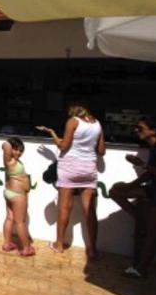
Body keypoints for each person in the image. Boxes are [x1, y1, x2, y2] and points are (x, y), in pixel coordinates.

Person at [110, 117, 156, 279]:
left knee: (152, 232)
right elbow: (151, 173)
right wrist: (131, 185)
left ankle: (141, 268)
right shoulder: (154, 148)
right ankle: (141, 217)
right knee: (116, 191)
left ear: (153, 131)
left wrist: (142, 165)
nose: (137, 130)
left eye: (140, 128)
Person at [36, 104, 105, 259]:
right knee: (90, 211)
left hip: (69, 168)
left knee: (64, 208)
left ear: (74, 113)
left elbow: (63, 146)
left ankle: (59, 245)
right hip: (89, 170)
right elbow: (101, 151)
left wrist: (53, 134)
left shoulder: (73, 122)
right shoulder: (97, 124)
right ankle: (92, 250)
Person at [1, 137, 35, 257]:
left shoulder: (14, 161)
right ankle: (26, 248)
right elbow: (5, 145)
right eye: (16, 149)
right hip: (17, 195)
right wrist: (9, 144)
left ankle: (7, 243)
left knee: (10, 218)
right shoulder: (9, 160)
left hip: (10, 193)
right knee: (20, 222)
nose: (18, 153)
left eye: (21, 151)